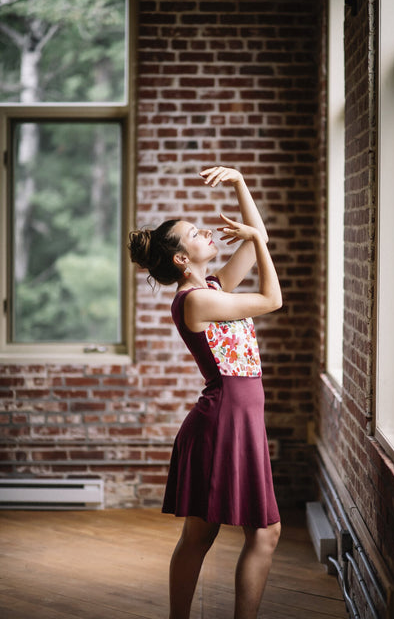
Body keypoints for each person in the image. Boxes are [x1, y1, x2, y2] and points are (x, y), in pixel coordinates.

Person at [128, 166, 283, 619]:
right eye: (195, 233)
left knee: (251, 533)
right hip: (222, 421)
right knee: (210, 535)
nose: (205, 233)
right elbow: (272, 299)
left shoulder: (213, 288)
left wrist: (239, 185)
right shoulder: (196, 301)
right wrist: (255, 236)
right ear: (181, 259)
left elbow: (259, 242)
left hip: (239, 419)